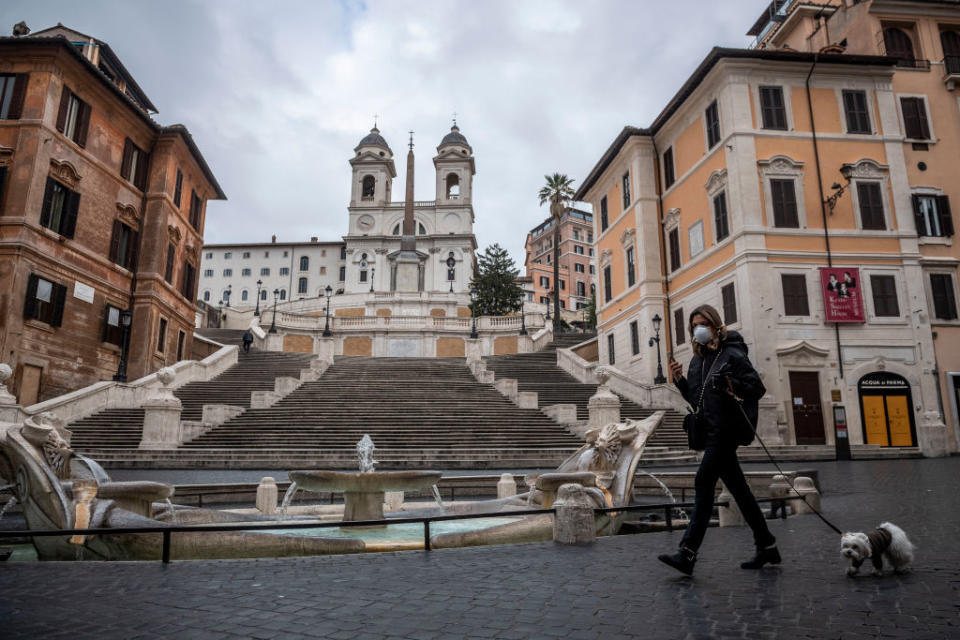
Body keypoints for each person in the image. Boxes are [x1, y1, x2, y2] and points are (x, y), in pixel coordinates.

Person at [657, 304, 780, 576]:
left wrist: (730, 386)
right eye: (693, 326)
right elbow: (696, 400)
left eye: (702, 323)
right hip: (709, 429)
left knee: (703, 482)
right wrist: (679, 380)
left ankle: (688, 552)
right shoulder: (697, 360)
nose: (697, 329)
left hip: (726, 432)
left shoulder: (733, 354)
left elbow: (756, 388)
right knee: (740, 490)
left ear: (715, 325)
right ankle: (767, 545)